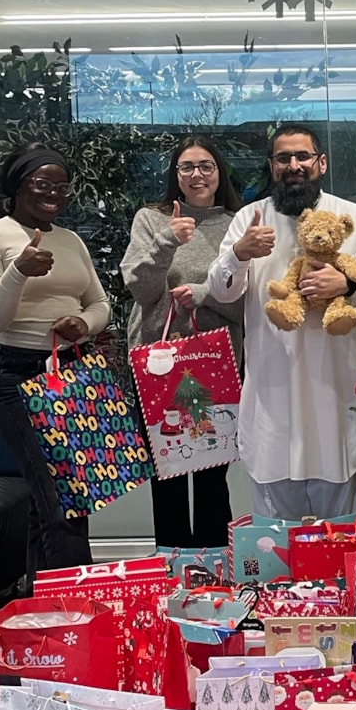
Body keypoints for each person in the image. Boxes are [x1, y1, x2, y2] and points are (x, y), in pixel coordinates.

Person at [205, 123, 356, 520]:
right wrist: (239, 253)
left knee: (341, 535)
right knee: (275, 544)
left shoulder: (353, 218)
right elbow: (221, 292)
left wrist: (347, 286)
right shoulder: (249, 219)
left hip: (337, 390)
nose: (293, 165)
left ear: (320, 162)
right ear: (272, 166)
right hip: (273, 395)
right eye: (283, 158)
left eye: (302, 157)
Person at [0, 142, 111, 580]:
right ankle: (79, 606)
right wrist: (18, 271)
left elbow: (99, 302)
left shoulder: (71, 239)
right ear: (17, 186)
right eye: (43, 183)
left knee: (68, 497)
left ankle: (37, 602)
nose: (55, 194)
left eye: (62, 186)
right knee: (60, 499)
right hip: (20, 376)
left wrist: (83, 324)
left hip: (73, 373)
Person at [121, 136, 244, 548]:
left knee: (213, 479)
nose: (197, 175)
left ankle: (213, 572)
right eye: (187, 167)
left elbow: (249, 306)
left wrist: (205, 292)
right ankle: (172, 571)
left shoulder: (236, 223)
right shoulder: (150, 220)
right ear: (175, 175)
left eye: (206, 166)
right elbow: (139, 288)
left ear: (219, 172)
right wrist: (168, 240)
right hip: (157, 367)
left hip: (217, 365)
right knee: (167, 478)